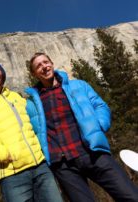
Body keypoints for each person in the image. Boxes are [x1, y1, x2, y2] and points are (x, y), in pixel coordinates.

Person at [25, 52, 138, 202]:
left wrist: (97, 127)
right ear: (34, 73)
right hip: (63, 165)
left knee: (130, 196)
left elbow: (100, 106)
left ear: (51, 63)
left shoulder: (79, 85)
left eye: (46, 62)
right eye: (38, 66)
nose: (44, 67)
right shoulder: (31, 103)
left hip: (92, 152)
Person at [0, 60, 63, 202]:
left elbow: (37, 124)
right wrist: (6, 154)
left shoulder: (17, 98)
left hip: (41, 168)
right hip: (12, 176)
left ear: (2, 74)